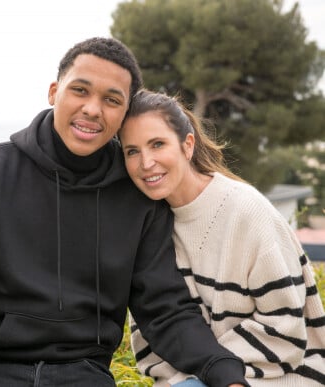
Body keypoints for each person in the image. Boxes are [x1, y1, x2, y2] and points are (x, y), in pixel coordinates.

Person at [0, 37, 248, 387]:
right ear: (54, 91)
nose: (92, 109)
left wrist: (223, 372)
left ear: (123, 114)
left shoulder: (137, 195)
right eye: (80, 91)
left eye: (111, 100)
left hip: (84, 375)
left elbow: (164, 309)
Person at [118, 89, 325, 386]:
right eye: (132, 151)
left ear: (187, 145)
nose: (146, 162)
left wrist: (217, 371)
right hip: (198, 378)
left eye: (157, 144)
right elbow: (153, 334)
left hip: (282, 376)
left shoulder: (247, 212)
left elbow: (285, 327)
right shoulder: (148, 226)